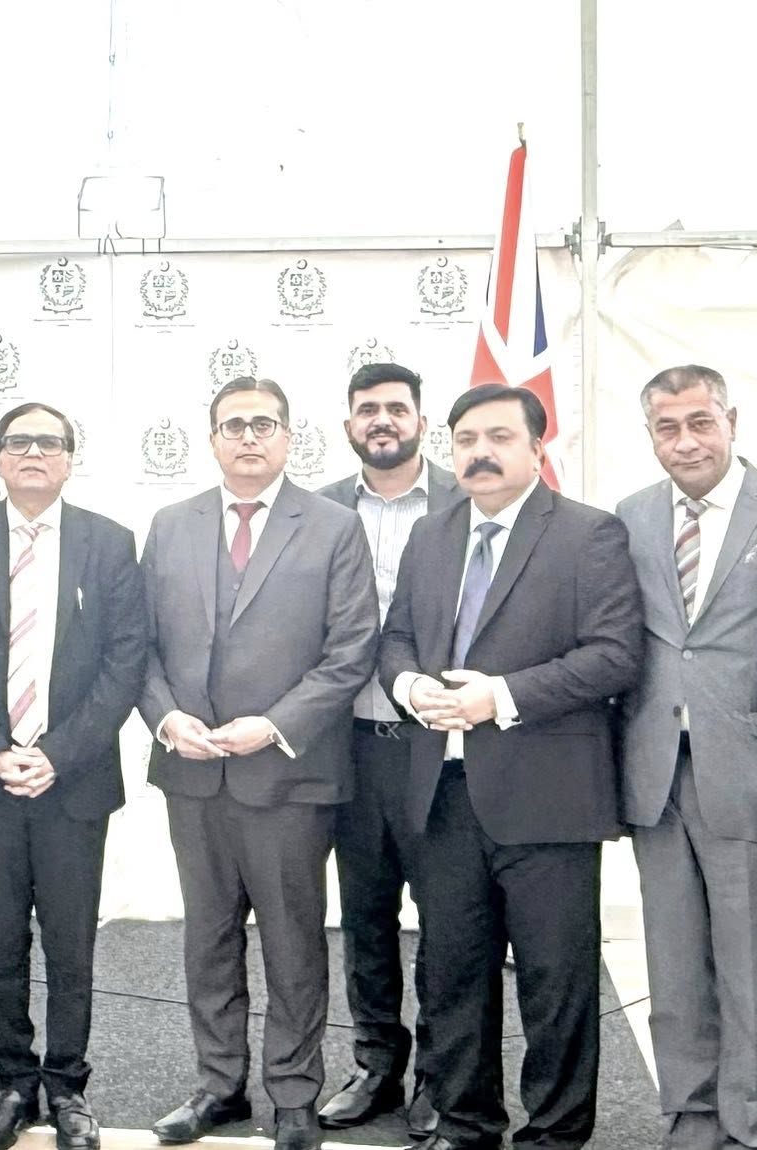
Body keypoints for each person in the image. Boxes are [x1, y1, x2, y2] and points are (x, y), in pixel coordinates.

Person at [379, 383, 643, 1150]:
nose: (480, 452)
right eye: (465, 439)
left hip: (549, 797)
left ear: (537, 447)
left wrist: (498, 696)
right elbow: (396, 638)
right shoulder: (431, 534)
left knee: (556, 983)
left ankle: (555, 1135)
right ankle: (466, 1126)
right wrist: (409, 686)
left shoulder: (590, 534)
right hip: (443, 794)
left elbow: (614, 655)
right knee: (452, 975)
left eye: (499, 437)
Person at [141, 377, 379, 1150]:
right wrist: (166, 718)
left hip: (289, 776)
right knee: (207, 938)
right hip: (192, 771)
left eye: (263, 424)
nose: (249, 436)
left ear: (288, 437)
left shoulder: (335, 527)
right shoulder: (171, 525)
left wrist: (273, 727)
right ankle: (218, 1086)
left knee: (292, 942)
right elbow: (139, 644)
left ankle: (295, 1096)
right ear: (212, 438)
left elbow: (352, 651)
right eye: (234, 424)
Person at [0, 403, 150, 1150]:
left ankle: (69, 1086)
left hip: (72, 779)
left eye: (49, 442)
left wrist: (57, 754)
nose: (34, 452)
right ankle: (14, 1084)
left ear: (71, 459)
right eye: (19, 442)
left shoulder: (108, 542)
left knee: (71, 943)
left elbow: (125, 661)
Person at [616, 365, 757, 1150]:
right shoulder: (631, 516)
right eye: (668, 427)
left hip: (756, 773)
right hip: (657, 775)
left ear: (732, 421)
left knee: (752, 970)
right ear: (650, 435)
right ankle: (692, 1117)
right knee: (672, 968)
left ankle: (753, 1126)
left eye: (701, 422)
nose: (686, 440)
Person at [313, 363, 460, 1137]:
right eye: (367, 409)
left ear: (421, 423)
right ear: (348, 426)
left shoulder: (466, 501)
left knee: (448, 917)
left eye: (397, 409)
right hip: (351, 746)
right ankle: (376, 1064)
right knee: (365, 916)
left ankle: (441, 1070)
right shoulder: (318, 510)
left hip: (443, 751)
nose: (382, 420)